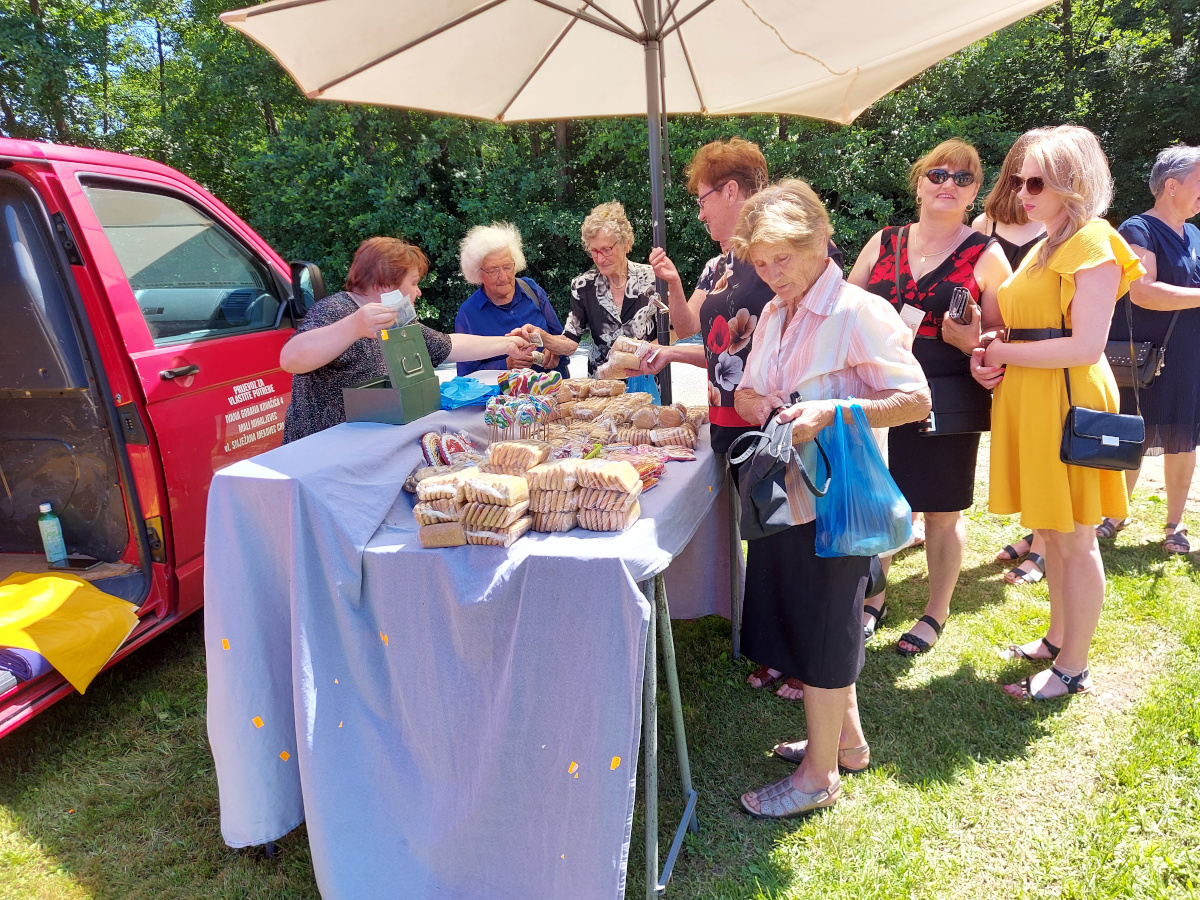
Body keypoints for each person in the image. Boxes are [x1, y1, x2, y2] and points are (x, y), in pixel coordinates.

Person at [731, 179, 930, 818]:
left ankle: (818, 777)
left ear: (820, 240)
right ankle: (846, 742)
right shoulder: (773, 313)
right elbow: (749, 391)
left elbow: (917, 400)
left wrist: (833, 411)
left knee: (824, 631)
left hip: (835, 499)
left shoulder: (858, 312)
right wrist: (756, 403)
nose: (771, 274)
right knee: (811, 618)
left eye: (782, 259)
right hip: (787, 493)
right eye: (761, 263)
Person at [645, 137, 842, 702]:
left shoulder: (788, 252)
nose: (699, 211)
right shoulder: (719, 264)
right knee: (766, 535)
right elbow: (699, 335)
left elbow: (824, 328)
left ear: (731, 191)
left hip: (782, 416)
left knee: (799, 534)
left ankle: (810, 657)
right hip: (729, 419)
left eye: (703, 198)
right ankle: (778, 649)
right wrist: (675, 289)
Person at [972, 125, 1145, 698]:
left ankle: (1073, 667)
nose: (1021, 192)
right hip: (1033, 395)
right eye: (1019, 180)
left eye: (1036, 182)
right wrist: (990, 351)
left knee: (1075, 538)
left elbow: (1086, 346)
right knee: (1050, 527)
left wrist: (1004, 353)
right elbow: (1025, 326)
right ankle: (1056, 639)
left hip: (1068, 400)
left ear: (1072, 183)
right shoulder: (1046, 244)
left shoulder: (1095, 241)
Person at [847, 139, 1011, 654]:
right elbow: (844, 305)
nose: (948, 185)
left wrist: (973, 341)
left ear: (974, 192)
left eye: (962, 178)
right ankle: (874, 598)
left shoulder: (987, 254)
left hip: (946, 395)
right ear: (919, 183)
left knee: (941, 508)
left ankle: (936, 611)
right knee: (880, 499)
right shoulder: (884, 241)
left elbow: (1003, 335)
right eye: (938, 174)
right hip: (877, 391)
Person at [280, 237, 531, 443]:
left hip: (366, 445)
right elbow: (290, 358)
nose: (418, 292)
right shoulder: (336, 309)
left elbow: (448, 345)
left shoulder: (397, 318)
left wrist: (507, 344)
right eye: (413, 283)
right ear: (386, 284)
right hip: (319, 451)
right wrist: (354, 326)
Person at [1102, 145, 1200, 553]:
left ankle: (1175, 524)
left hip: (1188, 353)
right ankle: (1114, 513)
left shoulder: (1195, 234)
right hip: (1144, 354)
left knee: (1184, 436)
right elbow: (1143, 292)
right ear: (1172, 185)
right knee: (1131, 432)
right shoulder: (1137, 229)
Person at [973, 134, 1050, 585]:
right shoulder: (985, 223)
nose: (1029, 187)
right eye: (1025, 176)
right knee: (1019, 448)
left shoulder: (1059, 226)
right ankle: (1034, 530)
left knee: (1043, 448)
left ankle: (1042, 545)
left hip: (1042, 349)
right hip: (998, 348)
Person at [517, 202, 661, 401]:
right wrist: (542, 336)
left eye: (606, 250)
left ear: (626, 244)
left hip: (647, 382)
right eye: (594, 251)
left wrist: (642, 354)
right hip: (602, 390)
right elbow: (570, 342)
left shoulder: (653, 278)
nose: (600, 259)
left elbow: (672, 331)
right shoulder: (583, 286)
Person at [453, 222, 571, 378]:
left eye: (507, 266)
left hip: (554, 389)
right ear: (477, 273)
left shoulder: (532, 290)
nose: (503, 277)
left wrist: (555, 352)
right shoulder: (468, 314)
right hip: (505, 394)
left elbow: (563, 340)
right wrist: (506, 365)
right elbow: (466, 376)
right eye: (493, 270)